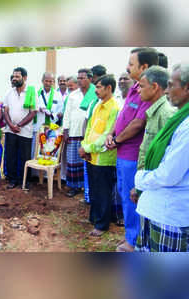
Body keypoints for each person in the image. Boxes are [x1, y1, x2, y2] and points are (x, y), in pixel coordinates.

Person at [105, 47, 158, 252]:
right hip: (121, 152)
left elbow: (138, 124)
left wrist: (116, 140)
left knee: (131, 197)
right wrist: (111, 134)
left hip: (132, 155)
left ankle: (133, 241)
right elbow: (122, 117)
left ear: (144, 67)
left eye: (131, 64)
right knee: (124, 194)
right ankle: (130, 235)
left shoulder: (148, 92)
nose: (127, 68)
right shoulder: (135, 88)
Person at [134, 63, 189, 252]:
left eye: (172, 85)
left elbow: (168, 174)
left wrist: (140, 179)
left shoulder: (183, 123)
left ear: (187, 88)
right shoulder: (179, 118)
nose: (167, 91)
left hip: (170, 214)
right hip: (158, 207)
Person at [79, 75, 120, 236]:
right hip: (91, 155)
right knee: (94, 190)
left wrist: (88, 148)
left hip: (103, 158)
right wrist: (85, 147)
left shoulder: (114, 108)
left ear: (109, 88)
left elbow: (107, 136)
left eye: (99, 87)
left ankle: (102, 225)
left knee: (103, 192)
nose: (95, 90)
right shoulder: (97, 105)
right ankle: (94, 218)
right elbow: (89, 128)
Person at [63, 68, 97, 197]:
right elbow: (67, 114)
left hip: (89, 134)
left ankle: (87, 188)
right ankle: (74, 187)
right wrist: (66, 131)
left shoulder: (95, 93)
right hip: (73, 132)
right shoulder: (73, 95)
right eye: (79, 78)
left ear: (90, 79)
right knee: (73, 161)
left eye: (83, 78)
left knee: (88, 161)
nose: (80, 80)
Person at [3, 67, 37, 189]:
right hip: (10, 130)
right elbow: (5, 110)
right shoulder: (9, 92)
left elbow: (33, 112)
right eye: (13, 76)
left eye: (17, 76)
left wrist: (19, 125)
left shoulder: (31, 92)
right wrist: (11, 125)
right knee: (10, 155)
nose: (14, 79)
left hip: (25, 131)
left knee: (24, 157)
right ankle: (12, 180)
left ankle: (24, 180)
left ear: (25, 78)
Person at [33, 72, 63, 158]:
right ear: (42, 81)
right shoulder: (36, 94)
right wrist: (39, 109)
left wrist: (53, 115)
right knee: (36, 154)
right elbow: (32, 108)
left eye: (51, 81)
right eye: (46, 81)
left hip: (51, 129)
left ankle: (48, 171)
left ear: (53, 82)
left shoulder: (57, 95)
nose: (48, 83)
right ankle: (35, 171)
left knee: (49, 153)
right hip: (38, 128)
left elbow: (60, 112)